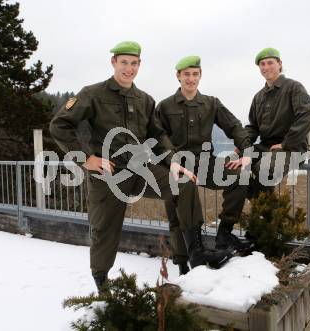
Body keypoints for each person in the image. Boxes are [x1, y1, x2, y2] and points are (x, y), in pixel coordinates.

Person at [49, 42, 232, 291]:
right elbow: (59, 125)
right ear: (114, 62)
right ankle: (102, 283)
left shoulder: (145, 100)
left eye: (134, 63)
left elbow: (157, 136)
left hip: (141, 170)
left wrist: (173, 161)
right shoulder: (93, 94)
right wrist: (85, 158)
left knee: (184, 185)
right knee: (105, 228)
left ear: (139, 65)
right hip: (109, 174)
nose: (129, 68)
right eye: (124, 62)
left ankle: (197, 256)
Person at [156, 55, 253, 275]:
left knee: (240, 176)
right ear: (178, 76)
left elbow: (234, 126)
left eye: (195, 74)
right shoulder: (164, 106)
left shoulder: (211, 103)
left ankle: (224, 234)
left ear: (200, 76)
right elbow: (156, 137)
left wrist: (246, 152)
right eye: (186, 74)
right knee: (176, 211)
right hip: (177, 165)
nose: (191, 79)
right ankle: (186, 261)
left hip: (206, 162)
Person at [229, 47, 310, 197]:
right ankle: (264, 210)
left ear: (279, 64)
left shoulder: (294, 88)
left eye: (270, 63)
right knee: (229, 166)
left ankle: (267, 212)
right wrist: (241, 145)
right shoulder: (258, 97)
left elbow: (307, 116)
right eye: (262, 64)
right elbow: (253, 127)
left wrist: (285, 144)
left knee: (263, 169)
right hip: (265, 147)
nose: (266, 67)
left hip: (291, 148)